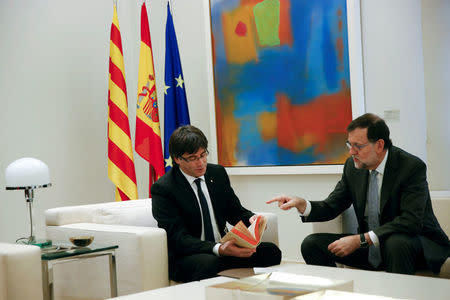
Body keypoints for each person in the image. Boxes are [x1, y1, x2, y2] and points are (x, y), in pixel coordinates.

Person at [267, 113, 449, 275]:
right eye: (349, 144)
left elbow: (411, 221)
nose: (351, 152)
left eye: (358, 146)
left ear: (379, 145)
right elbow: (332, 206)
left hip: (415, 245)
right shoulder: (353, 168)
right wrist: (302, 204)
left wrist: (361, 240)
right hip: (372, 247)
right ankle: (336, 294)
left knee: (396, 243)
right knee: (312, 244)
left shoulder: (410, 167)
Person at [152, 125, 281, 282]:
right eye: (193, 158)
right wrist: (218, 249)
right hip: (189, 255)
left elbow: (235, 211)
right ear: (178, 159)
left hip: (222, 249)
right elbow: (178, 238)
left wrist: (252, 220)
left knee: (271, 252)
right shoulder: (164, 188)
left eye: (203, 154)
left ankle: (227, 263)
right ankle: (226, 263)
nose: (201, 163)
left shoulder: (217, 173)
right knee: (210, 264)